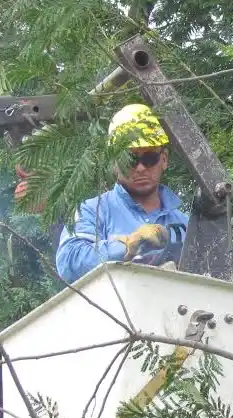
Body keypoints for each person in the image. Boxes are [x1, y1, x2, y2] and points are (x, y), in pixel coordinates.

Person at [54, 103, 189, 283]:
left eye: (149, 158)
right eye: (130, 159)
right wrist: (127, 245)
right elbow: (69, 261)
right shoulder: (93, 210)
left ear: (163, 159)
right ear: (114, 164)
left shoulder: (184, 223)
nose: (141, 168)